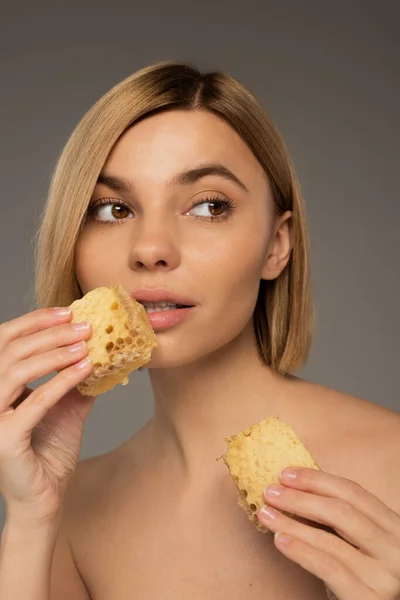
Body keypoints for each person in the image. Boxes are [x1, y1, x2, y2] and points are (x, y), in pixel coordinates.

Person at [0, 61, 399, 600]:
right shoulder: (69, 508)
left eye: (209, 206)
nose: (151, 250)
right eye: (114, 209)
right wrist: (29, 518)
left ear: (276, 246)